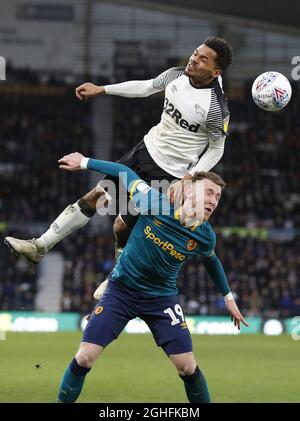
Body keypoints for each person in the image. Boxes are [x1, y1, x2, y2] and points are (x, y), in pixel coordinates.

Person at [4, 37, 233, 300]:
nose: (194, 59)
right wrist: (102, 89)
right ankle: (40, 246)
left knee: (121, 227)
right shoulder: (177, 75)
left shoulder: (216, 108)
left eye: (203, 59)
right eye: (195, 53)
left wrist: (190, 177)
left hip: (170, 175)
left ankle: (117, 279)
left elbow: (216, 149)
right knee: (96, 197)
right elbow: (147, 87)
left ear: (216, 72)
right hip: (144, 151)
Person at [55, 151, 248, 403]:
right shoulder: (154, 203)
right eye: (209, 192)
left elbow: (211, 260)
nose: (214, 200)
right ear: (189, 191)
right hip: (121, 292)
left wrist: (228, 298)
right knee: (84, 357)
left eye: (218, 196)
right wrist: (83, 162)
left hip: (162, 300)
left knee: (188, 367)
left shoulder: (205, 235)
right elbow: (125, 172)